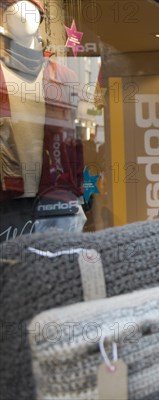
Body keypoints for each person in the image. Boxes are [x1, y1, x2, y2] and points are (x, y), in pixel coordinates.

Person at [0, 0, 83, 241]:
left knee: (54, 271)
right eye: (12, 11)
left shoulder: (63, 77)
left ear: (40, 19)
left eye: (30, 12)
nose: (22, 18)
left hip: (54, 196)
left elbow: (73, 141)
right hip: (7, 197)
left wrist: (76, 193)